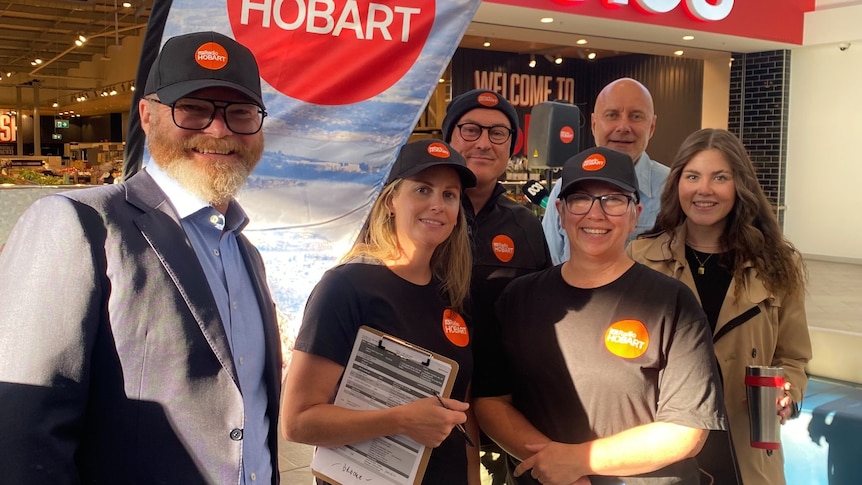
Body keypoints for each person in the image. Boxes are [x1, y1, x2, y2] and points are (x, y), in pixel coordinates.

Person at [0, 31, 281, 484]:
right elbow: (20, 433)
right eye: (194, 108)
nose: (219, 129)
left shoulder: (244, 251)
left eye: (241, 112)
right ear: (147, 117)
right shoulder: (81, 224)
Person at [473, 146, 727, 485]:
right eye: (581, 199)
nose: (596, 214)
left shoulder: (672, 303)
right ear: (560, 212)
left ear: (635, 214)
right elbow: (491, 402)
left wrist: (577, 461)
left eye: (613, 200)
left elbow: (687, 429)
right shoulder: (518, 298)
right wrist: (553, 465)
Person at [281, 139, 481, 484]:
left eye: (449, 195)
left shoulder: (454, 294)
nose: (437, 205)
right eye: (422, 190)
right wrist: (401, 420)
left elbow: (463, 412)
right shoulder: (345, 287)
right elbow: (298, 421)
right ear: (391, 200)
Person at [628, 128, 812, 485]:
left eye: (720, 178)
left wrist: (786, 394)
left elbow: (794, 358)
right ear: (676, 183)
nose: (704, 190)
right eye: (692, 176)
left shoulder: (777, 265)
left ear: (739, 186)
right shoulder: (639, 259)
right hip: (662, 453)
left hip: (747, 453)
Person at [441, 89, 552, 482]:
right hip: (425, 401)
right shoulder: (417, 213)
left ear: (511, 147)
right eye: (470, 130)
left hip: (504, 404)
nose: (484, 142)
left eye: (498, 133)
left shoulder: (524, 225)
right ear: (449, 138)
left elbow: (543, 314)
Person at [542, 78, 670, 264]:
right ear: (594, 124)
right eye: (612, 115)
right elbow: (549, 263)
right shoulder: (565, 187)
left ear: (652, 126)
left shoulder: (673, 190)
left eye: (636, 116)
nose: (623, 127)